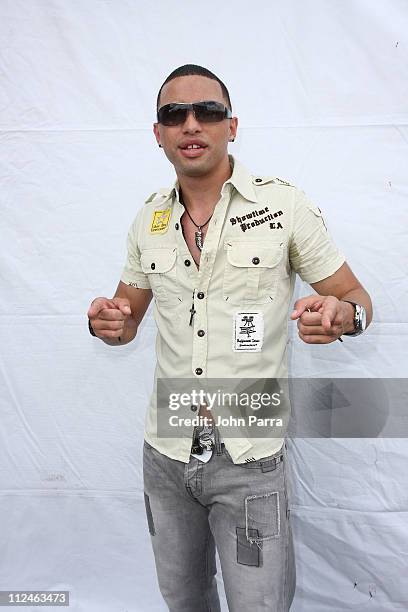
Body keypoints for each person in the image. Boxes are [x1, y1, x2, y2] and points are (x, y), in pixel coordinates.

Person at [87, 64, 372, 611]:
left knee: (259, 605)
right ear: (159, 133)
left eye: (207, 112)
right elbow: (126, 319)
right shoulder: (148, 218)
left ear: (231, 126)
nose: (191, 124)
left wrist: (343, 317)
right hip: (165, 453)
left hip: (249, 455)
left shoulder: (283, 207)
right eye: (175, 114)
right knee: (185, 601)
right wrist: (109, 323)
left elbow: (358, 300)